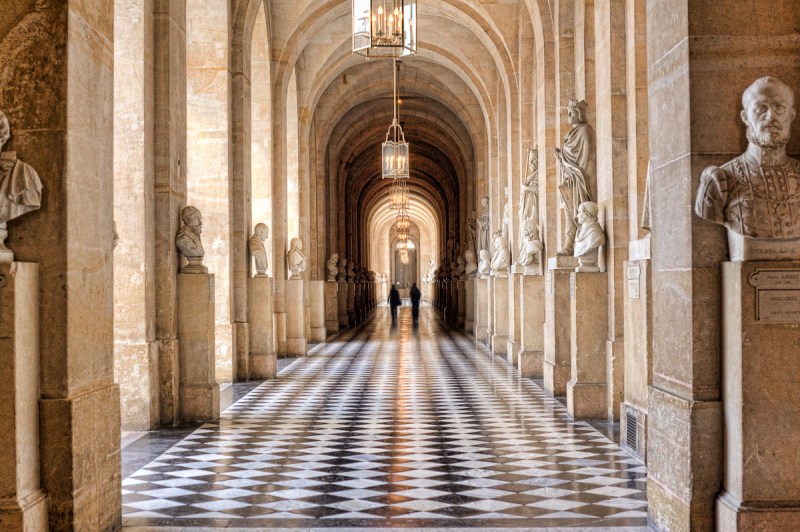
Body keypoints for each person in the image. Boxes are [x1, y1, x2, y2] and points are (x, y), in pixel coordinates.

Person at [695, 76, 800, 243]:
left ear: (792, 115)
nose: (771, 116)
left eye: (779, 107)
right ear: (745, 117)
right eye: (761, 108)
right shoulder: (720, 181)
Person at [555, 99, 597, 256]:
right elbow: (570, 159)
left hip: (580, 180)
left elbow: (587, 160)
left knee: (578, 212)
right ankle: (569, 244)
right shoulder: (570, 135)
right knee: (568, 212)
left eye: (573, 111)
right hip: (569, 179)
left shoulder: (586, 132)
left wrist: (576, 174)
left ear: (580, 113)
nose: (569, 115)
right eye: (568, 112)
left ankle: (577, 242)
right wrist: (561, 158)